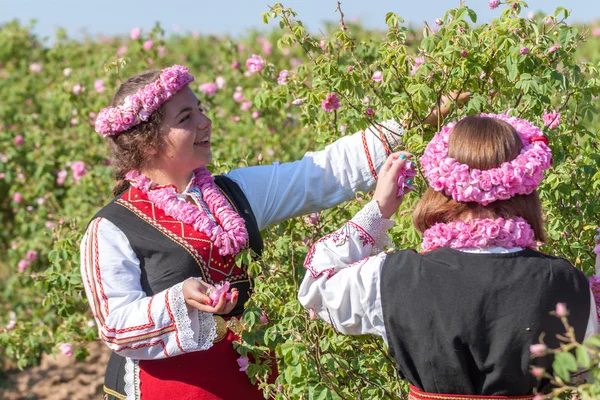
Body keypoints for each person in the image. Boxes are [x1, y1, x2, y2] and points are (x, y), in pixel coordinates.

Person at [80, 64, 456, 400]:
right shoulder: (111, 227)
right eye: (185, 117)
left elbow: (320, 174)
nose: (204, 122)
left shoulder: (233, 193)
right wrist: (178, 297)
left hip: (253, 380)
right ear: (147, 140)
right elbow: (115, 326)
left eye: (201, 109)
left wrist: (419, 116)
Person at [299, 114, 599, 399]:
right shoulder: (565, 282)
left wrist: (378, 210)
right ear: (525, 188)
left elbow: (316, 285)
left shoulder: (394, 276)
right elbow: (587, 369)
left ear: (441, 186)